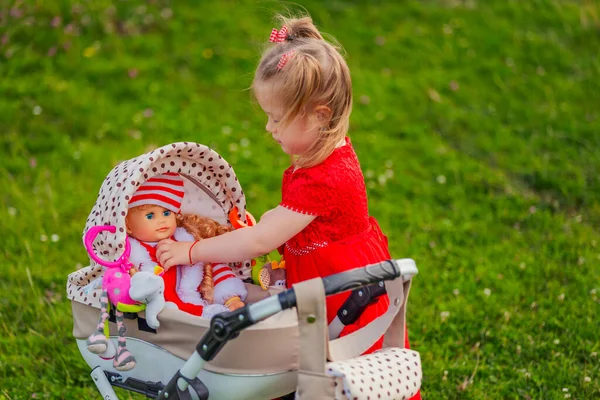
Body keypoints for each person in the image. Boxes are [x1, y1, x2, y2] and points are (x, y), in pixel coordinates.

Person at [157, 17, 420, 399]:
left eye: (277, 118)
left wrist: (191, 250)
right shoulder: (328, 152)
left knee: (338, 370)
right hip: (335, 272)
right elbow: (287, 222)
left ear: (320, 116)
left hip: (341, 291)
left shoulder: (322, 178)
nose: (268, 128)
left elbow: (260, 242)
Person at [127, 173, 247, 318]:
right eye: (150, 216)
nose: (162, 221)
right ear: (128, 226)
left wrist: (230, 297)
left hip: (196, 308)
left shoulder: (186, 242)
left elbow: (214, 266)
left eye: (166, 213)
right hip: (159, 315)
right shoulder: (130, 255)